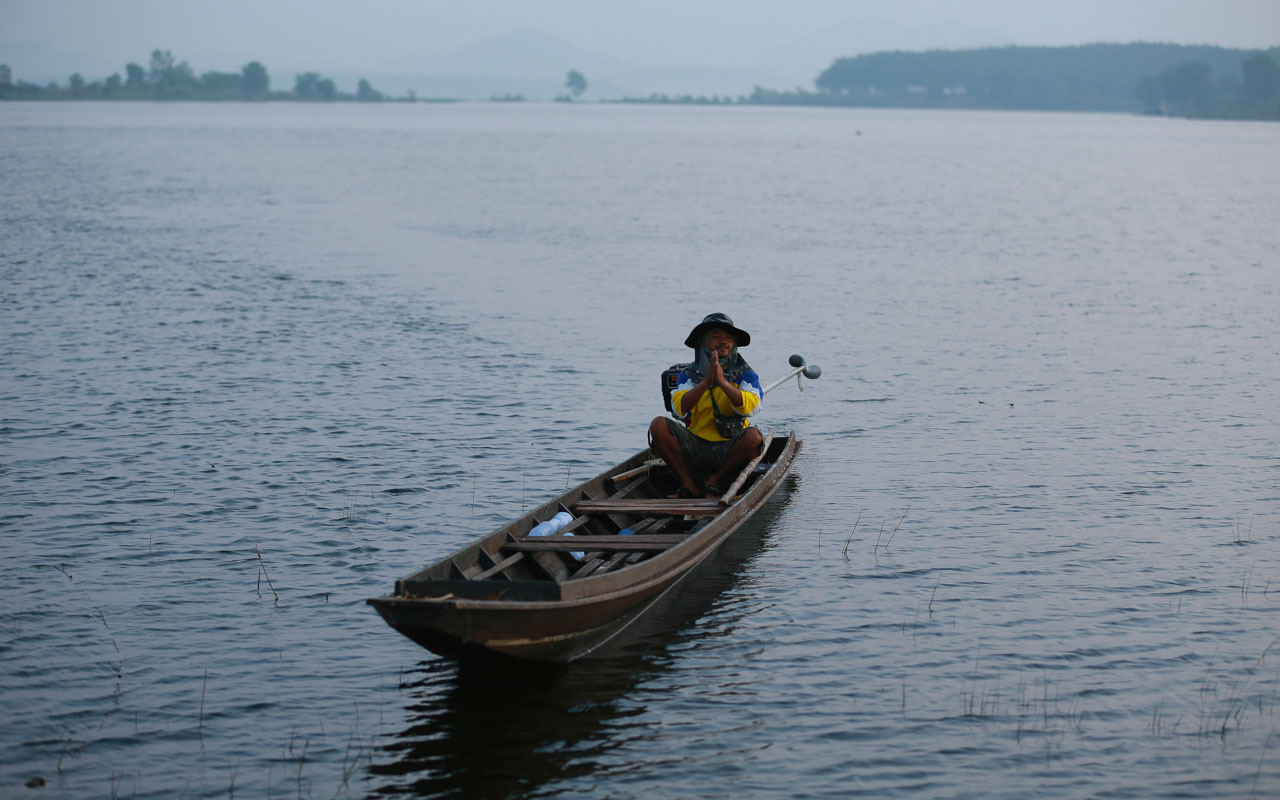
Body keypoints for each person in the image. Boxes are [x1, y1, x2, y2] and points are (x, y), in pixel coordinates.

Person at [648, 313, 765, 498]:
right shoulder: (688, 375)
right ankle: (688, 485)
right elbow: (679, 408)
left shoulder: (746, 374)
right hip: (696, 446)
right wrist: (705, 383)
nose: (723, 341)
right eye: (716, 336)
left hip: (729, 448)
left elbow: (752, 407)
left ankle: (715, 480)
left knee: (754, 437)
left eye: (728, 337)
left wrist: (723, 383)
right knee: (658, 425)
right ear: (703, 342)